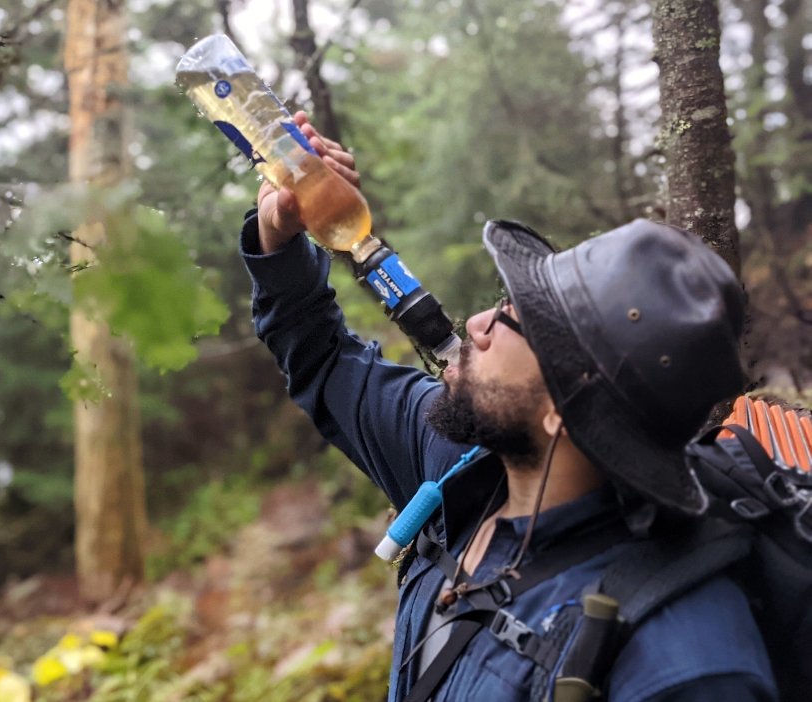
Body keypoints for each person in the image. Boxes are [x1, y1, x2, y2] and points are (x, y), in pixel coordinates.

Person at [239, 112, 777, 702]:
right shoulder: (457, 470)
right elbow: (321, 358)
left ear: (565, 411)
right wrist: (281, 236)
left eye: (512, 323)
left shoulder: (681, 661)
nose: (476, 325)